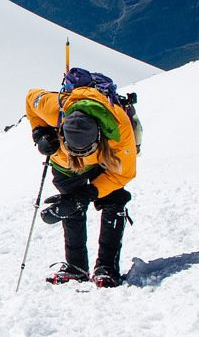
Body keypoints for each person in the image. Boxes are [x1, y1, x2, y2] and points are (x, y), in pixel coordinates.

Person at [27, 72, 138, 288]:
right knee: (71, 206)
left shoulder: (119, 130)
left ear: (98, 137)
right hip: (64, 164)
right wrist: (40, 133)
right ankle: (76, 267)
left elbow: (124, 173)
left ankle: (107, 267)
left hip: (104, 162)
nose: (80, 156)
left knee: (114, 200)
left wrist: (88, 194)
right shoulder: (54, 109)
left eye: (85, 150)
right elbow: (30, 98)